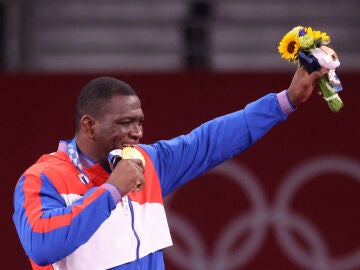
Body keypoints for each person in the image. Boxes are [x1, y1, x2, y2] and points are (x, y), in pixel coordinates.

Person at [13, 67, 327, 270]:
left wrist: (286, 100)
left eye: (139, 122)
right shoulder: (43, 177)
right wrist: (110, 191)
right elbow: (43, 247)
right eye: (126, 123)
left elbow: (209, 141)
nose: (137, 133)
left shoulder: (144, 161)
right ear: (89, 125)